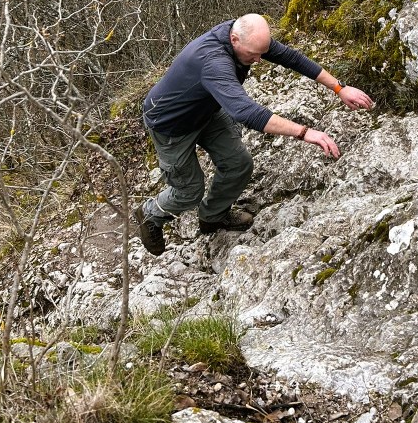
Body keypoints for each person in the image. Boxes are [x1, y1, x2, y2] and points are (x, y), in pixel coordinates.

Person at [133, 13, 374, 255]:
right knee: (189, 191)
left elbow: (292, 58)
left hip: (206, 110)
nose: (258, 60)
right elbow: (245, 112)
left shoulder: (247, 38)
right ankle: (150, 214)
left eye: (262, 53)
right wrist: (304, 132)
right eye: (253, 55)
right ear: (234, 39)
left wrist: (339, 88)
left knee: (239, 164)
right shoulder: (214, 60)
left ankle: (213, 217)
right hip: (171, 124)